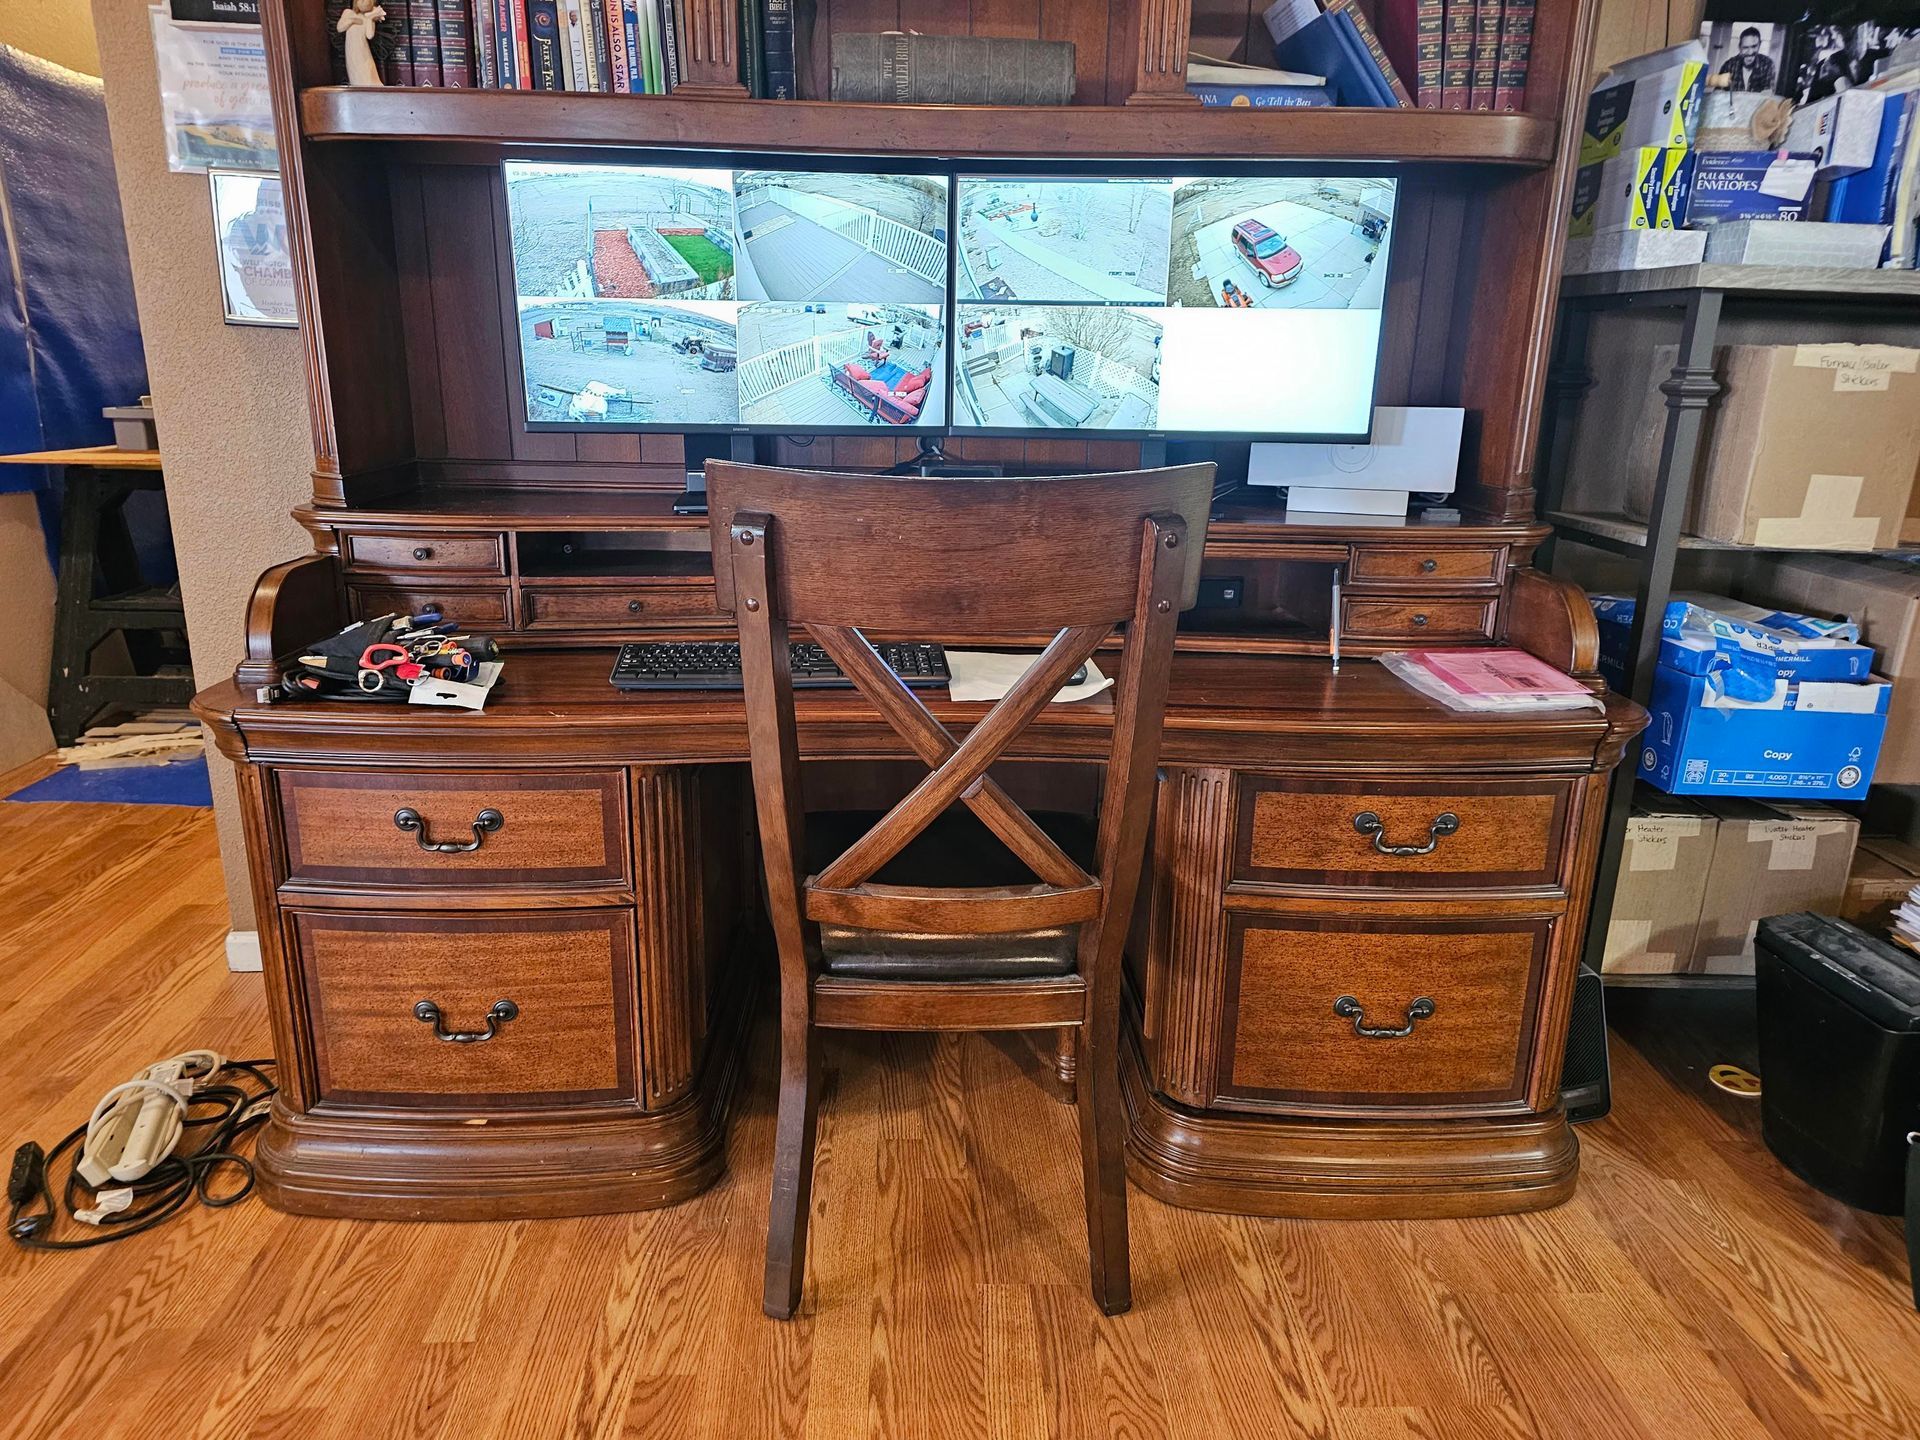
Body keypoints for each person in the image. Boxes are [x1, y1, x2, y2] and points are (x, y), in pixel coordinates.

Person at [1719, 26, 1775, 93]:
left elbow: (1767, 95)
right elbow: (1718, 93)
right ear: (1739, 47)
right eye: (1745, 47)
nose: (1750, 52)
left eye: (1754, 46)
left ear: (1759, 44)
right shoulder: (1729, 65)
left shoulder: (1767, 64)